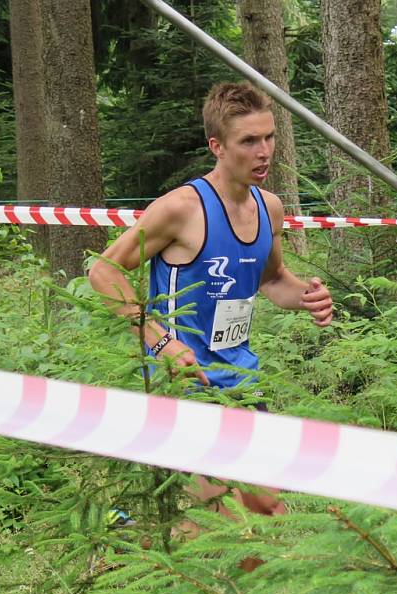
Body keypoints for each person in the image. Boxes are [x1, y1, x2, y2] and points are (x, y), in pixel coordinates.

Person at [88, 81, 333, 526]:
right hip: (184, 384)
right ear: (218, 146)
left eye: (269, 137)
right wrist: (159, 342)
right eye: (249, 141)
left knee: (269, 509)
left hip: (241, 378)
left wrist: (308, 297)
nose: (264, 152)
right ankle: (140, 538)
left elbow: (273, 279)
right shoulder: (182, 208)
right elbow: (103, 272)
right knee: (226, 522)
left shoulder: (270, 208)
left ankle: (135, 530)